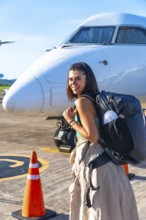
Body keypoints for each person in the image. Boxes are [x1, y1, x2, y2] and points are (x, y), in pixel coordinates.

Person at [63, 62, 139, 220]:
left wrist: (70, 121)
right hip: (107, 163)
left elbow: (92, 136)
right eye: (70, 79)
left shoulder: (82, 102)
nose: (73, 83)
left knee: (100, 213)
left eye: (78, 79)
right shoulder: (94, 98)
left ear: (87, 79)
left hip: (97, 168)